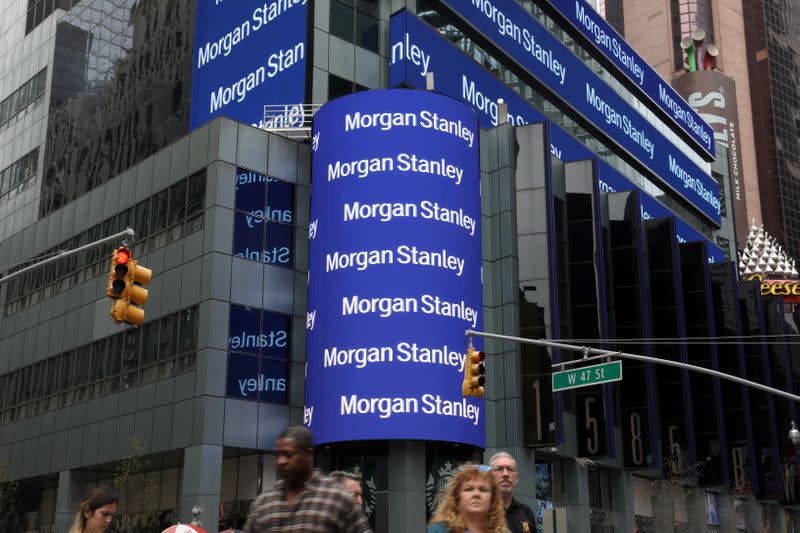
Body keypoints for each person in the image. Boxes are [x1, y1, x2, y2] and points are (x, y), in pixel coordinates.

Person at [243, 426, 371, 532]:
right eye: (278, 455)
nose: (281, 461)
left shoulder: (338, 499)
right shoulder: (264, 503)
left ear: (309, 455)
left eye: (289, 455)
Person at [427, 464, 507, 533]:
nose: (476, 494)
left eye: (483, 489)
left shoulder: (501, 531)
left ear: (492, 498)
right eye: (469, 489)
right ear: (457, 496)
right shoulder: (440, 530)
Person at [489, 452, 535, 533]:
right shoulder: (482, 511)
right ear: (489, 476)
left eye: (510, 469)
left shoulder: (526, 512)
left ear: (517, 478)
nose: (505, 474)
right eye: (499, 469)